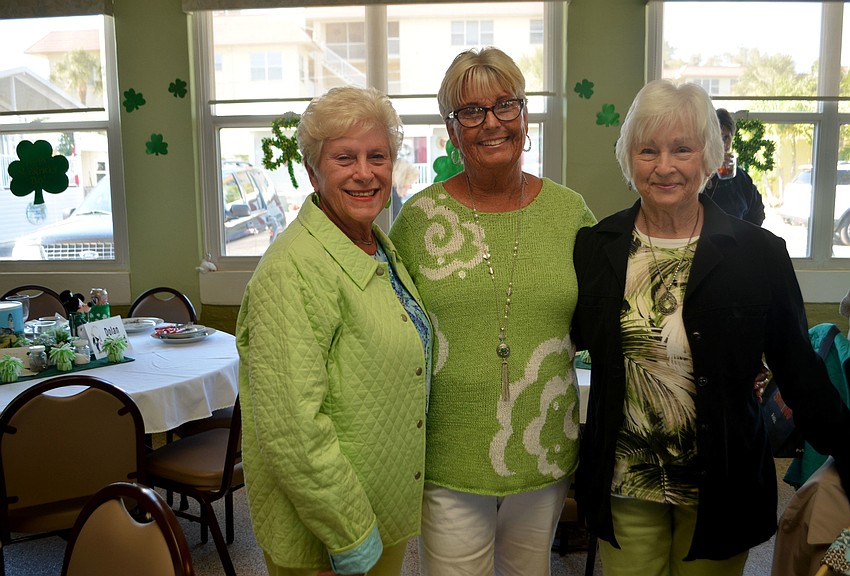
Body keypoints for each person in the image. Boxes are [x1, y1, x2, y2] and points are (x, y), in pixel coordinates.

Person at [570, 79, 850, 576]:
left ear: (710, 156)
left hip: (721, 482)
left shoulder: (758, 254)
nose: (664, 166)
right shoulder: (596, 246)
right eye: (648, 150)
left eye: (682, 148)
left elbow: (797, 366)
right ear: (628, 157)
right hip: (624, 482)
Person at [390, 47, 596, 575]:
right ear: (451, 130)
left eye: (506, 105)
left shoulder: (570, 214)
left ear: (524, 116)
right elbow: (391, 329)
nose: (491, 123)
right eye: (470, 111)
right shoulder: (418, 220)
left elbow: (603, 315)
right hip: (446, 448)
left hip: (543, 445)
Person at [236, 86, 432, 576]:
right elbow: (292, 432)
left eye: (377, 156)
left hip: (378, 513)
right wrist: (351, 534)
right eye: (345, 157)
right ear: (313, 172)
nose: (364, 173)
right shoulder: (292, 269)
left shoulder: (378, 248)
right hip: (330, 533)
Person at [701, 108, 766, 225]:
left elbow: (758, 213)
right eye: (717, 139)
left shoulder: (741, 179)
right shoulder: (698, 174)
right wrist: (711, 169)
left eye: (725, 138)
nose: (722, 145)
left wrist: (743, 237)